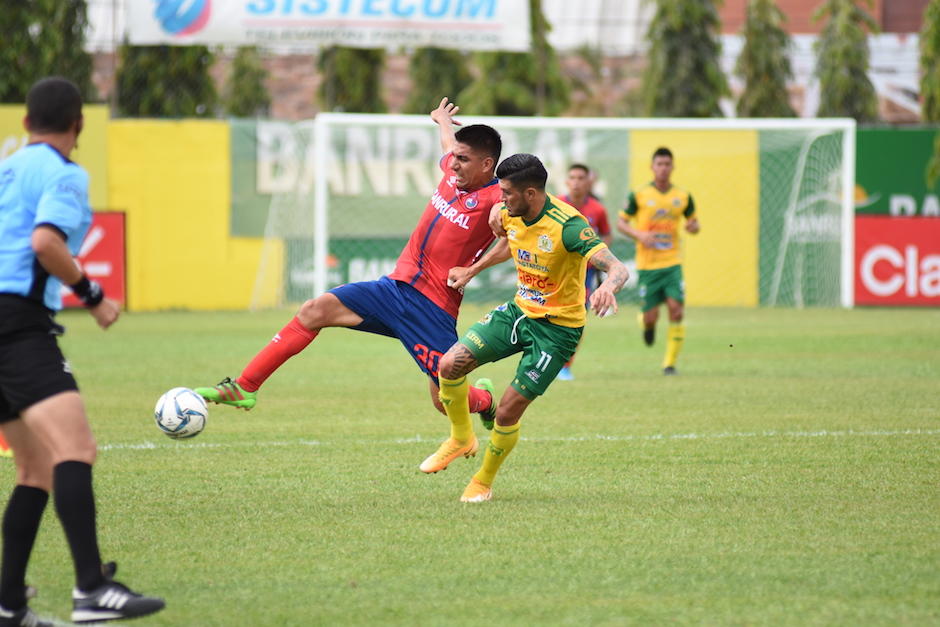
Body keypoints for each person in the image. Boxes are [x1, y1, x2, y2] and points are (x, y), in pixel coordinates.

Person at [196, 98, 503, 428]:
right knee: (314, 310)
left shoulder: (498, 201)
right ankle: (245, 387)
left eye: (463, 159)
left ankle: (484, 401)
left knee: (444, 401)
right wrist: (443, 121)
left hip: (432, 308)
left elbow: (513, 241)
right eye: (454, 157)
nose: (453, 164)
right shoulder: (453, 172)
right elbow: (448, 145)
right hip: (394, 288)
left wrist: (474, 269)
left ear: (486, 165)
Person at [0, 77, 165, 626]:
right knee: (76, 449)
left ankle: (8, 606)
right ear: (80, 125)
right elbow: (46, 243)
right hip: (16, 325)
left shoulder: (7, 168)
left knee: (35, 466)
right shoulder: (64, 173)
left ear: (25, 123)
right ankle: (91, 590)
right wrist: (93, 295)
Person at [423, 153, 629, 502]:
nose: (500, 199)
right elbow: (509, 241)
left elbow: (617, 267)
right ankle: (461, 438)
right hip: (519, 311)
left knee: (506, 410)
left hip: (558, 331)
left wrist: (607, 287)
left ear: (530, 193)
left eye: (506, 193)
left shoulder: (569, 226)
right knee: (448, 365)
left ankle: (482, 482)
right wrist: (472, 271)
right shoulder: (509, 212)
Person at [617, 147, 700, 375]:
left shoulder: (682, 196)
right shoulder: (639, 194)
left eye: (667, 164)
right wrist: (640, 235)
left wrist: (694, 227)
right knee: (651, 316)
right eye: (659, 164)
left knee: (676, 311)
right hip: (648, 265)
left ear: (672, 167)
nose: (663, 168)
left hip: (673, 262)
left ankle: (670, 364)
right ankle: (647, 323)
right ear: (652, 167)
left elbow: (694, 223)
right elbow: (621, 223)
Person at [556, 163, 612, 381]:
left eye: (581, 178)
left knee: (577, 318)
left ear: (589, 182)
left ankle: (566, 366)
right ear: (567, 181)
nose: (577, 182)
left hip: (584, 274)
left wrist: (597, 253)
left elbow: (606, 235)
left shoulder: (597, 210)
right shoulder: (557, 204)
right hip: (557, 270)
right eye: (573, 177)